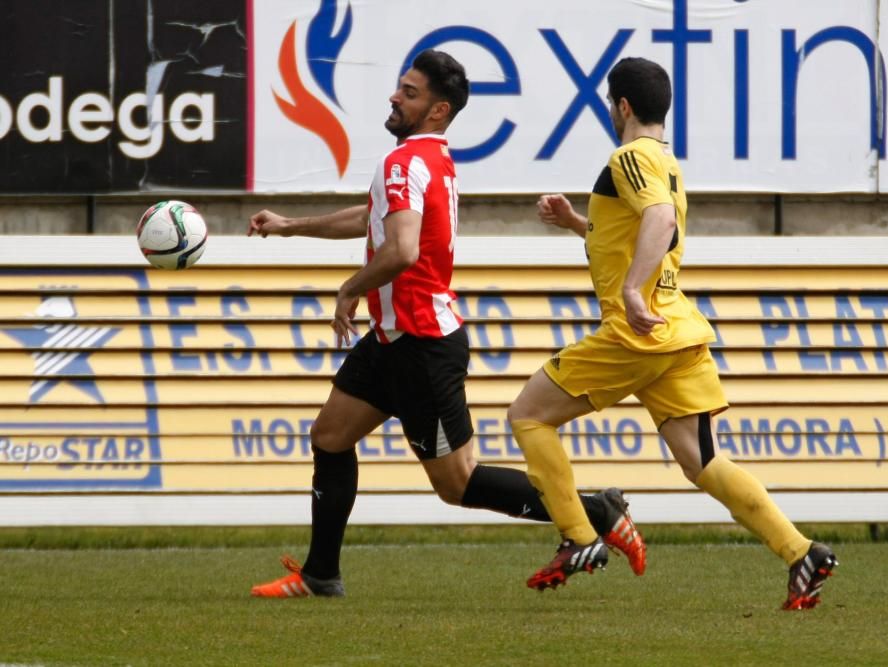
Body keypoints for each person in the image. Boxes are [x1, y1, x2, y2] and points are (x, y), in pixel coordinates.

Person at [248, 50, 646, 598]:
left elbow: (404, 248)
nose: (394, 96)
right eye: (399, 87)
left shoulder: (405, 163)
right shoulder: (428, 160)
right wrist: (291, 226)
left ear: (437, 111)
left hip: (422, 347)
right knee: (331, 437)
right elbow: (373, 219)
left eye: (409, 93)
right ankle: (320, 575)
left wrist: (349, 288)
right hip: (392, 340)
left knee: (458, 484)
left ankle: (596, 513)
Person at [508, 56, 837, 609]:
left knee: (528, 415)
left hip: (638, 331)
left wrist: (633, 291)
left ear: (623, 106)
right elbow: (636, 228)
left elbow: (659, 221)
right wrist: (574, 222)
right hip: (677, 331)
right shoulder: (664, 160)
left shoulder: (629, 155)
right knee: (702, 462)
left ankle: (580, 536)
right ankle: (801, 551)